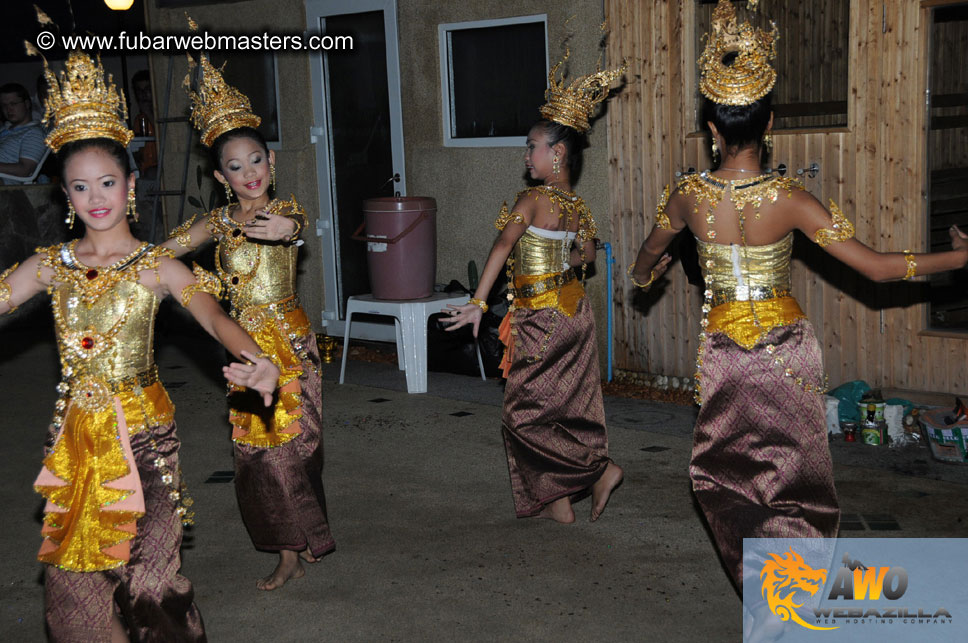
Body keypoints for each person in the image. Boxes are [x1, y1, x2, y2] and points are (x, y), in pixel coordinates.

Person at [629, 0, 968, 596]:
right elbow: (881, 270)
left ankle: (774, 591)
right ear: (770, 122)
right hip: (787, 349)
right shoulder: (792, 200)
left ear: (712, 128)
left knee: (722, 476)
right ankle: (798, 590)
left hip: (725, 352)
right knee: (795, 477)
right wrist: (958, 258)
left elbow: (644, 259)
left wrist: (647, 277)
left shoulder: (685, 197)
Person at [0, 51, 281, 642]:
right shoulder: (51, 265)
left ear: (130, 186)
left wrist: (257, 361)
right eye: (80, 186)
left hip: (146, 436)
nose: (95, 196)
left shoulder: (154, 265)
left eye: (107, 182)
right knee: (76, 589)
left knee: (153, 583)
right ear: (65, 195)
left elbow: (212, 315)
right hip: (77, 437)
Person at [161, 52, 335, 591]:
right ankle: (286, 549)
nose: (249, 173)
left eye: (256, 160)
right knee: (256, 455)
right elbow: (165, 253)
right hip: (242, 349)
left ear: (271, 160)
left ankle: (307, 528)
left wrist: (282, 226)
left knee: (298, 447)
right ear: (220, 175)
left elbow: (291, 227)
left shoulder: (287, 210)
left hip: (291, 343)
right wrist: (118, 261)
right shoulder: (215, 220)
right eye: (235, 167)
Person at [443, 50, 627, 524]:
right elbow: (587, 255)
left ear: (557, 153)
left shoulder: (534, 198)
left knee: (522, 416)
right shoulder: (575, 205)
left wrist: (478, 302)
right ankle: (559, 502)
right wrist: (559, 261)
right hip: (573, 315)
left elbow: (503, 244)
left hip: (542, 321)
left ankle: (599, 470)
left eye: (532, 147)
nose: (527, 155)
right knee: (561, 410)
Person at [0, 82, 45, 182]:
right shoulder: (4, 129)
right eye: (4, 105)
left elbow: (25, 170)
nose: (8, 109)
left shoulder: (34, 133)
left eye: (13, 104)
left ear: (27, 104)